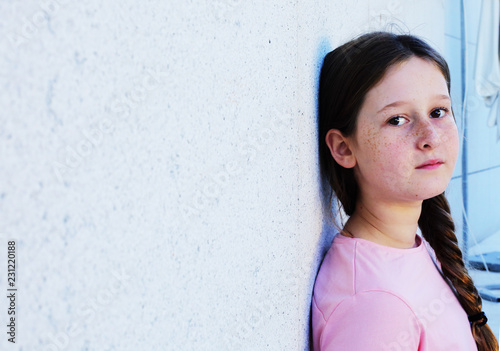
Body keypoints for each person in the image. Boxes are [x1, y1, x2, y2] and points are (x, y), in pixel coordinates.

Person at [313, 31, 499, 351]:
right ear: (344, 148)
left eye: (438, 112)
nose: (430, 137)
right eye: (397, 119)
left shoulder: (406, 244)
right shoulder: (374, 305)